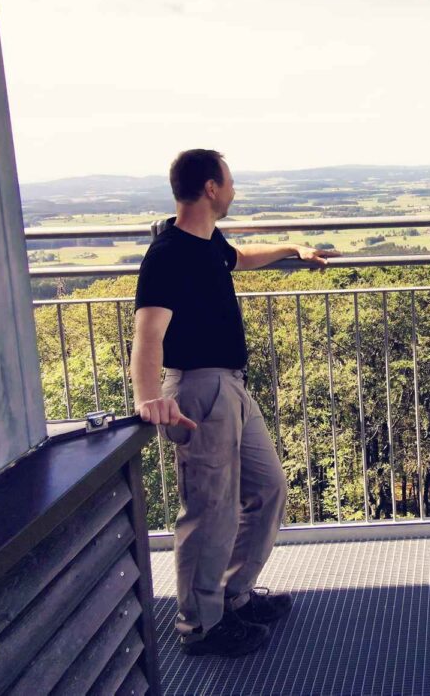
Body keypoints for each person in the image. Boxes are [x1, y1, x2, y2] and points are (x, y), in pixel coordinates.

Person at [130, 148, 338, 657]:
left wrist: (291, 251)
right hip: (200, 391)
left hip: (232, 388)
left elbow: (239, 260)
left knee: (268, 488)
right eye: (229, 182)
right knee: (210, 510)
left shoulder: (208, 243)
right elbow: (148, 334)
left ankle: (232, 596)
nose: (234, 190)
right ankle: (201, 626)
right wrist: (148, 399)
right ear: (210, 188)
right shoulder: (169, 253)